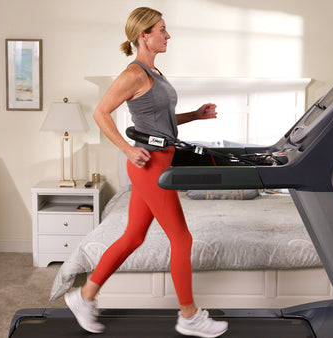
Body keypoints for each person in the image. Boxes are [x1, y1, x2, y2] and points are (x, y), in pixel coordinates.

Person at [64, 7, 229, 338]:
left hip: (162, 158)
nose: (168, 36)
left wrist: (194, 115)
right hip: (148, 164)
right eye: (163, 30)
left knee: (133, 236)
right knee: (182, 239)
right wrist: (126, 149)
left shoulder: (156, 74)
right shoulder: (134, 74)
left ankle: (85, 296)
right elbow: (101, 113)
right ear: (144, 35)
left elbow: (162, 122)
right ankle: (189, 315)